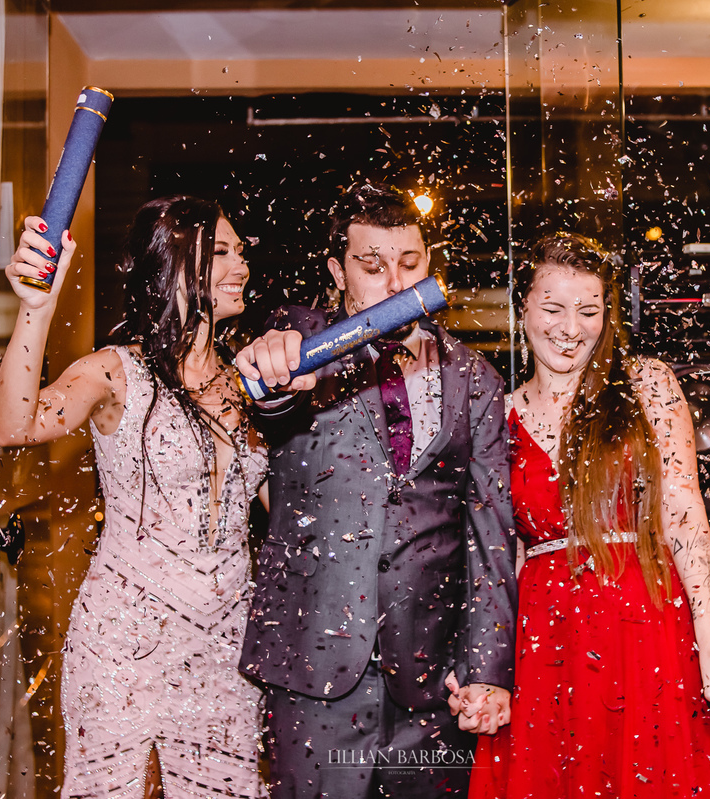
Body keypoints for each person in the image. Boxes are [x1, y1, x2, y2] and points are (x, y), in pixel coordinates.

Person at [233, 181, 517, 798]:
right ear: (338, 272)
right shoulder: (301, 345)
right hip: (315, 670)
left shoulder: (475, 378)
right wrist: (275, 367)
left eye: (410, 264)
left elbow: (490, 534)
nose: (394, 283)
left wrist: (489, 668)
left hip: (432, 680)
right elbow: (271, 398)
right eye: (371, 266)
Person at [0, 196, 268, 799]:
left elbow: (294, 511)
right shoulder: (116, 372)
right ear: (172, 265)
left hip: (226, 646)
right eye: (222, 252)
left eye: (241, 251)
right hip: (126, 640)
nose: (242, 266)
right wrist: (36, 308)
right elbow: (14, 425)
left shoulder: (250, 382)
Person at [465, 232, 710, 798]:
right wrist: (486, 665)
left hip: (648, 623)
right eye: (553, 308)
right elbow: (499, 557)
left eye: (589, 310)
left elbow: (683, 510)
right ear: (522, 308)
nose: (570, 328)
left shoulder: (647, 384)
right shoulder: (496, 414)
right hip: (544, 640)